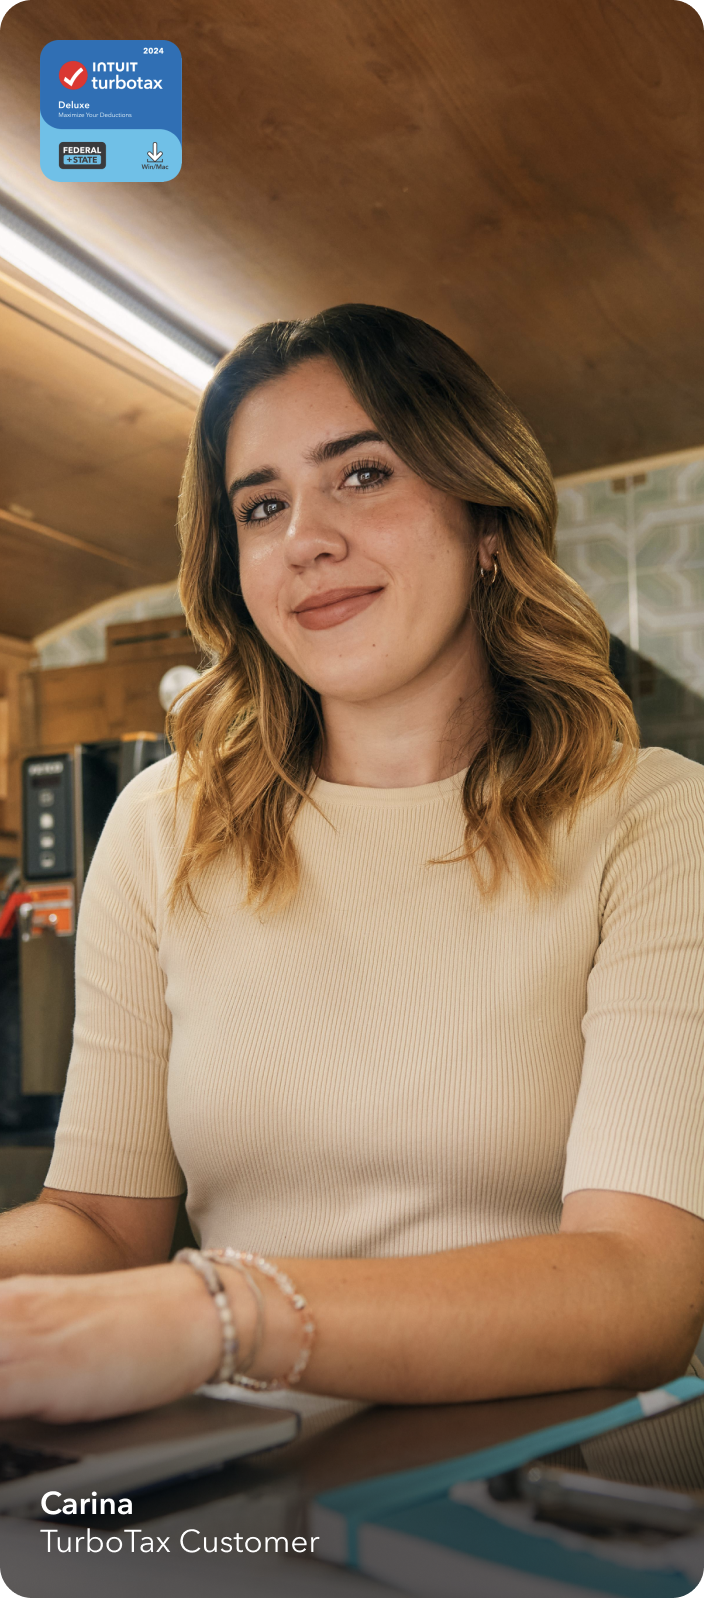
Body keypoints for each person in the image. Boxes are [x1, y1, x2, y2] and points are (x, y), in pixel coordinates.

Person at [1, 304, 703, 1423]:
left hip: (542, 1482)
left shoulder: (655, 819)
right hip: (244, 1463)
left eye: (362, 475)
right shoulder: (158, 824)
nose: (305, 538)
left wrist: (221, 1313)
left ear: (483, 515)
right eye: (262, 505)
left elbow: (637, 1287)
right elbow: (96, 1219)